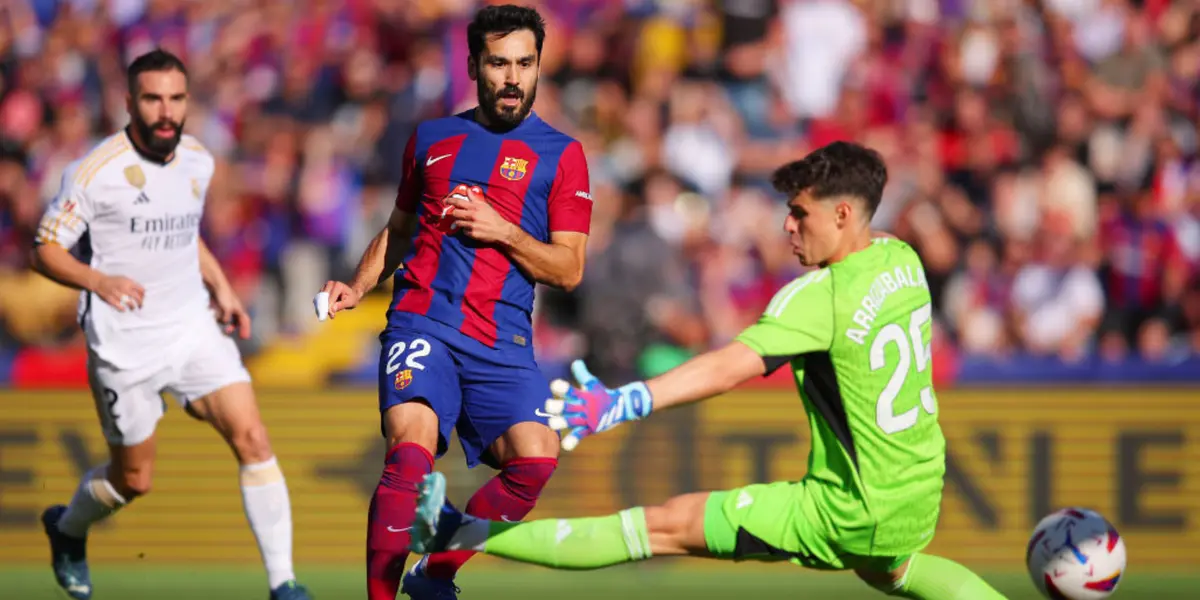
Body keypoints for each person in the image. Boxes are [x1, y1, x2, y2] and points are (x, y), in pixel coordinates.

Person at [410, 142, 1009, 600]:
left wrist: (627, 401)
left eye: (800, 214)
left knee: (662, 527)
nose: (787, 226)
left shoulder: (819, 297)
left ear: (844, 214)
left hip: (848, 508)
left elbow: (728, 367)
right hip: (919, 490)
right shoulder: (900, 258)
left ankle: (453, 533)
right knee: (897, 571)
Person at [317, 5, 592, 599]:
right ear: (473, 65)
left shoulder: (562, 155)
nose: (513, 77)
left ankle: (435, 571)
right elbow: (399, 227)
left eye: (525, 62)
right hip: (425, 320)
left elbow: (569, 269)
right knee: (410, 450)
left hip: (504, 341)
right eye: (498, 63)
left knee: (536, 460)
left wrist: (505, 231)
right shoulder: (433, 138)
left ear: (539, 66)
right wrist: (357, 286)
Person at [31, 50, 310, 600]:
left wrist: (221, 286)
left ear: (187, 102)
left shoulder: (198, 161)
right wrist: (98, 281)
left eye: (176, 98)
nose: (166, 111)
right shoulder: (93, 171)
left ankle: (284, 584)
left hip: (191, 328)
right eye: (154, 98)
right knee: (134, 480)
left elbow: (184, 235)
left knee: (253, 437)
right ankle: (67, 530)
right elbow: (45, 250)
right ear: (129, 102)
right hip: (123, 342)